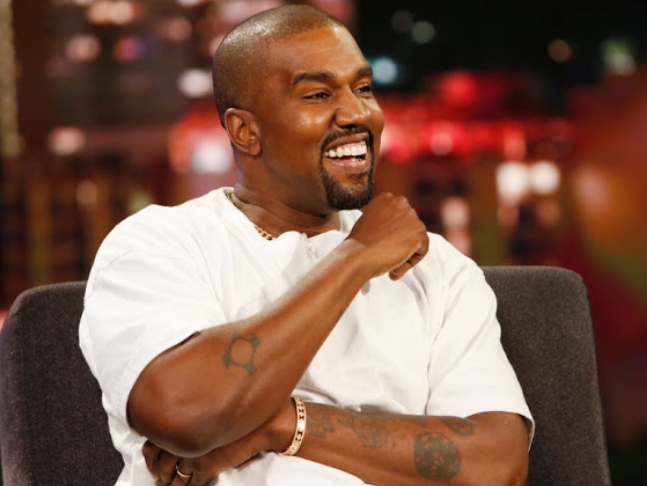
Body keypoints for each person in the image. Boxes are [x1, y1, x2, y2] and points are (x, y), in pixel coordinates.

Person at [80, 5, 533, 486]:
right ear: (245, 132)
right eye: (318, 94)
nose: (357, 113)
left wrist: (279, 425)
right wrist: (356, 258)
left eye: (364, 88)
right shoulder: (158, 245)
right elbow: (187, 412)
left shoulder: (438, 268)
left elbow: (497, 466)